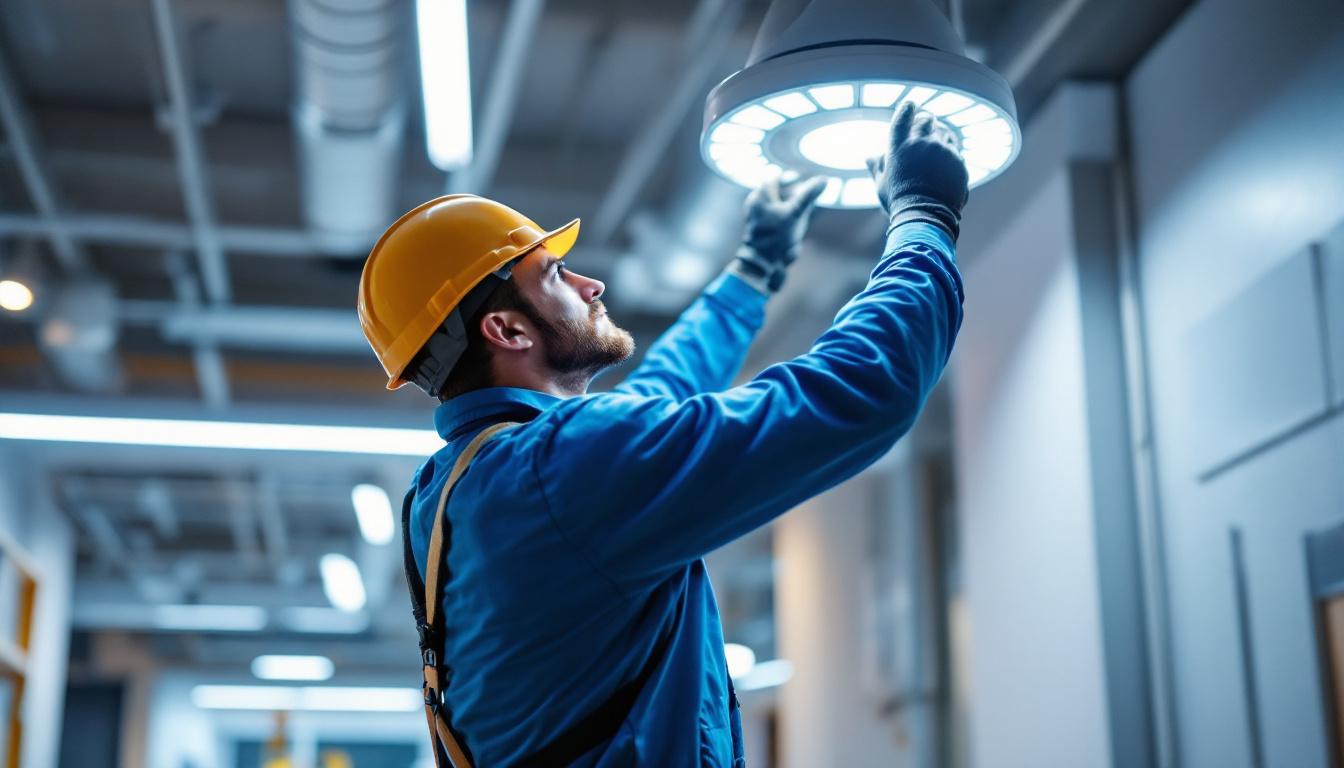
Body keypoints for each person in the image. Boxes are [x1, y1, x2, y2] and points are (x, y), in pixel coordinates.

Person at [356, 102, 968, 767]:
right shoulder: (561, 470)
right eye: (556, 275)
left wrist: (753, 272)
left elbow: (655, 400)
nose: (592, 284)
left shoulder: (457, 488)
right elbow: (858, 390)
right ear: (507, 331)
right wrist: (923, 218)